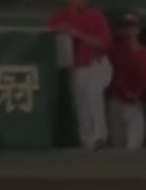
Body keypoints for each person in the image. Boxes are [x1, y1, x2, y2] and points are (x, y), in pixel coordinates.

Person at [48, 0, 112, 150]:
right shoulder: (60, 16)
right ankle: (87, 141)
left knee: (94, 94)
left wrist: (78, 35)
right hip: (75, 67)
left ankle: (100, 136)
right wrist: (58, 30)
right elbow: (45, 34)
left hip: (97, 64)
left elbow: (104, 44)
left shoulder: (96, 16)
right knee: (81, 105)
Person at [106, 13, 146, 150]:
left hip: (137, 104)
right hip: (117, 102)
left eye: (132, 25)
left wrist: (138, 95)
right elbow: (111, 75)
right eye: (125, 25)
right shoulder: (112, 51)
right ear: (120, 30)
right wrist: (125, 93)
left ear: (138, 29)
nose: (128, 29)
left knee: (135, 146)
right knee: (117, 146)